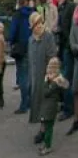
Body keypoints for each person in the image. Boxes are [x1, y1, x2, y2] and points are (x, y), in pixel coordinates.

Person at [27, 11, 58, 143]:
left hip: (46, 77)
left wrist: (50, 76)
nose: (39, 26)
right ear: (31, 26)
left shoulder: (48, 36)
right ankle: (42, 128)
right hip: (35, 78)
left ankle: (44, 131)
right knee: (38, 104)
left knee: (46, 106)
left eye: (40, 22)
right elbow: (30, 60)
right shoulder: (30, 40)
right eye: (35, 24)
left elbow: (53, 57)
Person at [9, 0, 35, 115]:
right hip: (33, 46)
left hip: (21, 48)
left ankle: (24, 104)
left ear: (18, 3)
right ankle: (31, 101)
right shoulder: (33, 13)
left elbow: (12, 33)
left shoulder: (17, 15)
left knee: (23, 77)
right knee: (30, 75)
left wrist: (12, 41)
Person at [38, 58, 69, 156]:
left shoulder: (54, 82)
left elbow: (46, 92)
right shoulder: (55, 79)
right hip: (47, 106)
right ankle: (46, 144)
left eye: (49, 67)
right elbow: (66, 85)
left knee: (48, 128)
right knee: (46, 126)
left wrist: (46, 82)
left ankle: (48, 146)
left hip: (50, 107)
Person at [54, 0, 75, 122]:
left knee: (67, 78)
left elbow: (72, 28)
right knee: (61, 76)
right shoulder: (60, 8)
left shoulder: (71, 7)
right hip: (61, 47)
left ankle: (68, 109)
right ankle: (65, 104)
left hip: (68, 47)